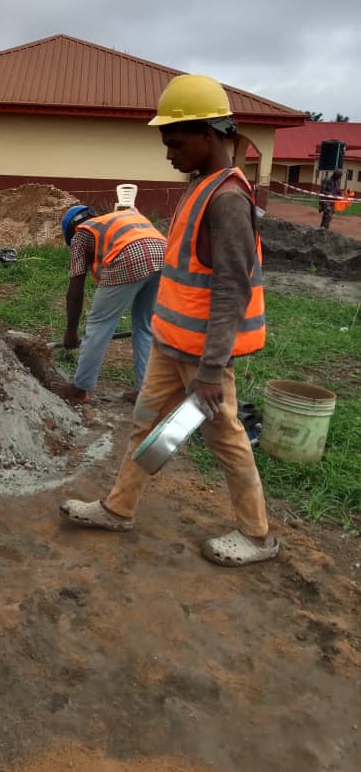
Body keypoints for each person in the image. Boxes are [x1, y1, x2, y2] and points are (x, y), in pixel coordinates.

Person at [60, 74, 279, 567]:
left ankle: (258, 535)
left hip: (203, 355)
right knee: (144, 424)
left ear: (208, 135)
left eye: (175, 143)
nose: (168, 154)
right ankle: (118, 508)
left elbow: (232, 289)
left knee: (226, 440)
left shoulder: (227, 199)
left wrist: (211, 370)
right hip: (170, 342)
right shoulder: (201, 186)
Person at [59, 204, 166, 403]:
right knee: (145, 325)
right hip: (164, 255)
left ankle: (79, 389)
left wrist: (71, 332)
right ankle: (144, 392)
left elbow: (76, 287)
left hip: (129, 254)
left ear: (72, 229)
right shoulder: (122, 217)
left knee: (100, 324)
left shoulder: (80, 234)